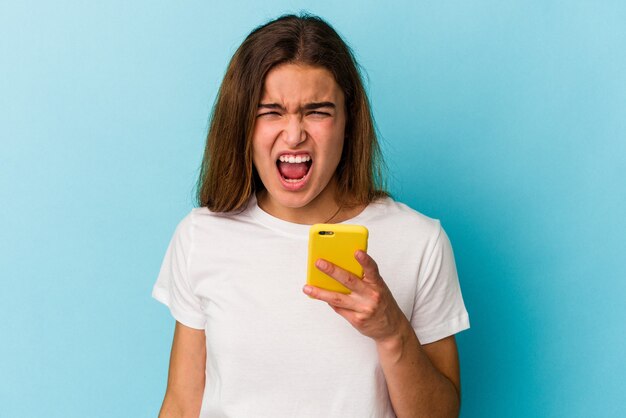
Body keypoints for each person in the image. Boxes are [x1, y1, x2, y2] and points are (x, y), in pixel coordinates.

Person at [152, 13, 469, 418]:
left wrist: (392, 332)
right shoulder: (201, 236)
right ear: (242, 125)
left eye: (317, 111)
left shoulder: (419, 241)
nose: (294, 133)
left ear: (348, 122)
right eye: (270, 111)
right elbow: (181, 405)